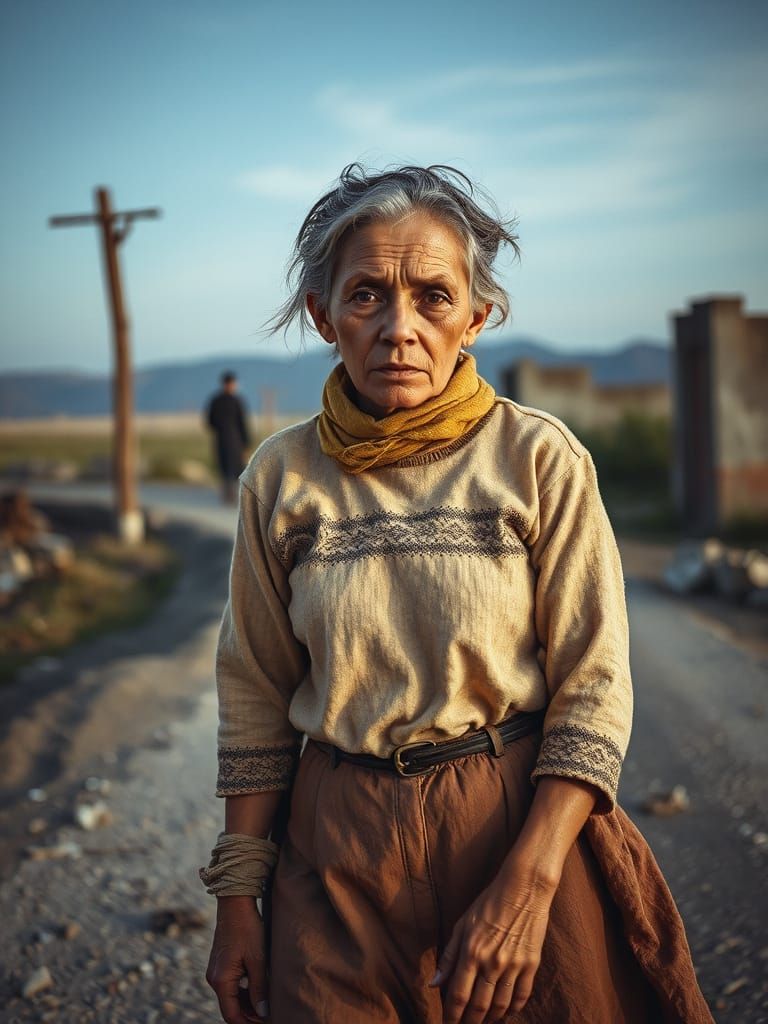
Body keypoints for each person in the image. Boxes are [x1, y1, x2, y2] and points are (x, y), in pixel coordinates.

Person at [201, 165, 714, 1024]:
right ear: (325, 318)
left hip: (513, 826)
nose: (398, 329)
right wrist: (235, 901)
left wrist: (532, 881)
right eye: (365, 296)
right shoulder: (281, 477)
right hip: (334, 852)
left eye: (433, 298)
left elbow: (594, 686)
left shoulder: (539, 460)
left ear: (475, 318)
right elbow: (254, 690)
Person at [205, 371, 251, 504]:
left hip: (223, 439)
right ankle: (232, 496)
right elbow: (242, 423)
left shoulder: (216, 400)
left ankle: (229, 496)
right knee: (233, 468)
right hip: (234, 440)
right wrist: (246, 442)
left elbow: (210, 422)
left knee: (227, 468)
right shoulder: (236, 401)